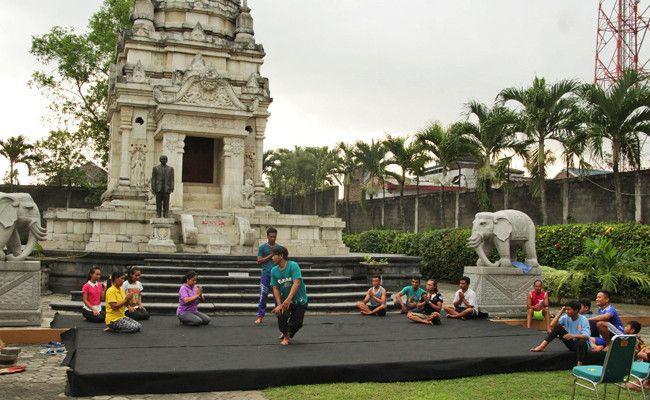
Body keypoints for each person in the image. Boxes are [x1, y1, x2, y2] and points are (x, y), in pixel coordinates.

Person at [530, 300, 590, 365]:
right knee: (558, 327)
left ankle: (579, 364)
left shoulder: (583, 319)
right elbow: (552, 325)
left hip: (582, 345)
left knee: (581, 341)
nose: (566, 311)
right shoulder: (566, 317)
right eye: (566, 309)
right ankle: (542, 346)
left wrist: (573, 336)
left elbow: (586, 336)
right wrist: (561, 311)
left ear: (576, 310)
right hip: (571, 344)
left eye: (568, 310)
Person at [270, 246, 308, 345]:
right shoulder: (274, 271)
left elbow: (296, 282)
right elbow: (275, 288)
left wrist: (288, 300)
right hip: (284, 298)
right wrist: (279, 304)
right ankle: (286, 337)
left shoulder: (293, 266)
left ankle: (288, 332)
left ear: (281, 256)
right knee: (281, 315)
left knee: (297, 324)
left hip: (299, 299)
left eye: (274, 255)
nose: (272, 257)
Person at [254, 227, 280, 324]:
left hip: (276, 276)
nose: (273, 238)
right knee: (263, 296)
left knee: (277, 297)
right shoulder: (262, 247)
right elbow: (259, 261)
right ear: (267, 237)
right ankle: (260, 316)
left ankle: (280, 316)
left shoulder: (279, 248)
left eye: (274, 237)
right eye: (271, 236)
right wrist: (271, 255)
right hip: (265, 275)